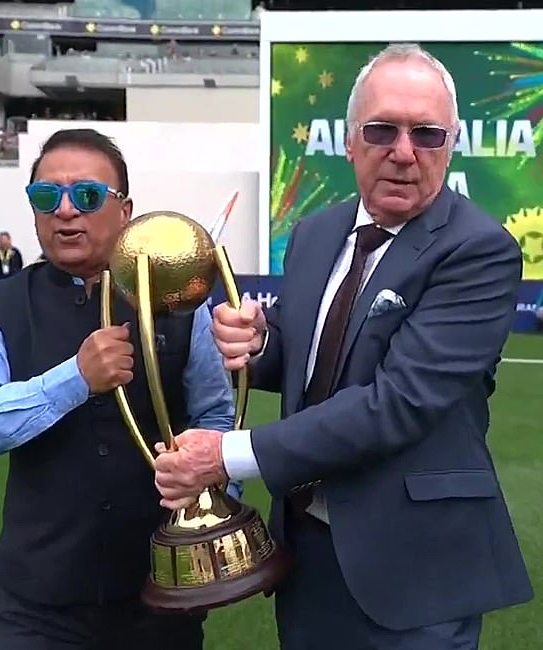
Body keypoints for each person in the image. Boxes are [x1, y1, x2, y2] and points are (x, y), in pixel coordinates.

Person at [153, 43, 534, 650]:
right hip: (308, 557)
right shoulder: (315, 232)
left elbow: (397, 402)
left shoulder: (480, 250)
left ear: (450, 145)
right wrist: (259, 345)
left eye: (427, 134)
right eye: (382, 129)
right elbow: (312, 364)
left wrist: (228, 455)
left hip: (414, 572)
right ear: (350, 140)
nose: (404, 152)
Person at [0, 128, 237, 650]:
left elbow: (215, 417)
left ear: (125, 210)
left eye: (87, 195)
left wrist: (210, 504)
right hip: (35, 609)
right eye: (46, 196)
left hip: (161, 597)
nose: (65, 211)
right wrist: (73, 380)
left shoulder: (183, 304)